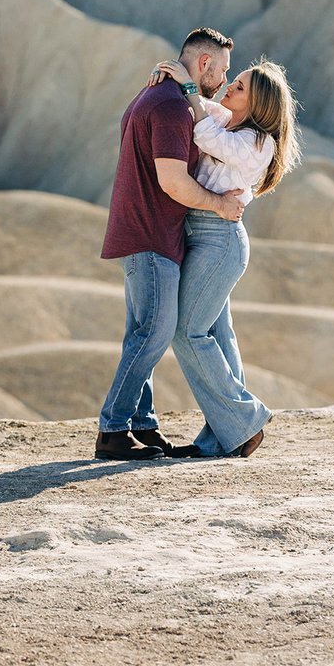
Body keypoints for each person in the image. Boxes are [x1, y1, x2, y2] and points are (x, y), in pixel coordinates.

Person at [95, 27, 244, 461]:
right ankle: (113, 429)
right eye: (222, 70)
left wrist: (188, 87)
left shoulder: (162, 98)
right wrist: (219, 205)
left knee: (142, 332)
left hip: (146, 231)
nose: (223, 80)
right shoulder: (170, 108)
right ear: (204, 64)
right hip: (152, 234)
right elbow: (173, 181)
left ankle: (141, 425)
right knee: (155, 333)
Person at [151, 55, 301, 459]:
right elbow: (201, 110)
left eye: (240, 87)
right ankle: (221, 437)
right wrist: (177, 80)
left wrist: (186, 87)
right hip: (202, 236)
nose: (230, 86)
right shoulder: (227, 119)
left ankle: (246, 422)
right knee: (217, 335)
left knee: (187, 332)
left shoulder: (257, 142)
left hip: (220, 242)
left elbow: (205, 136)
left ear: (258, 105)